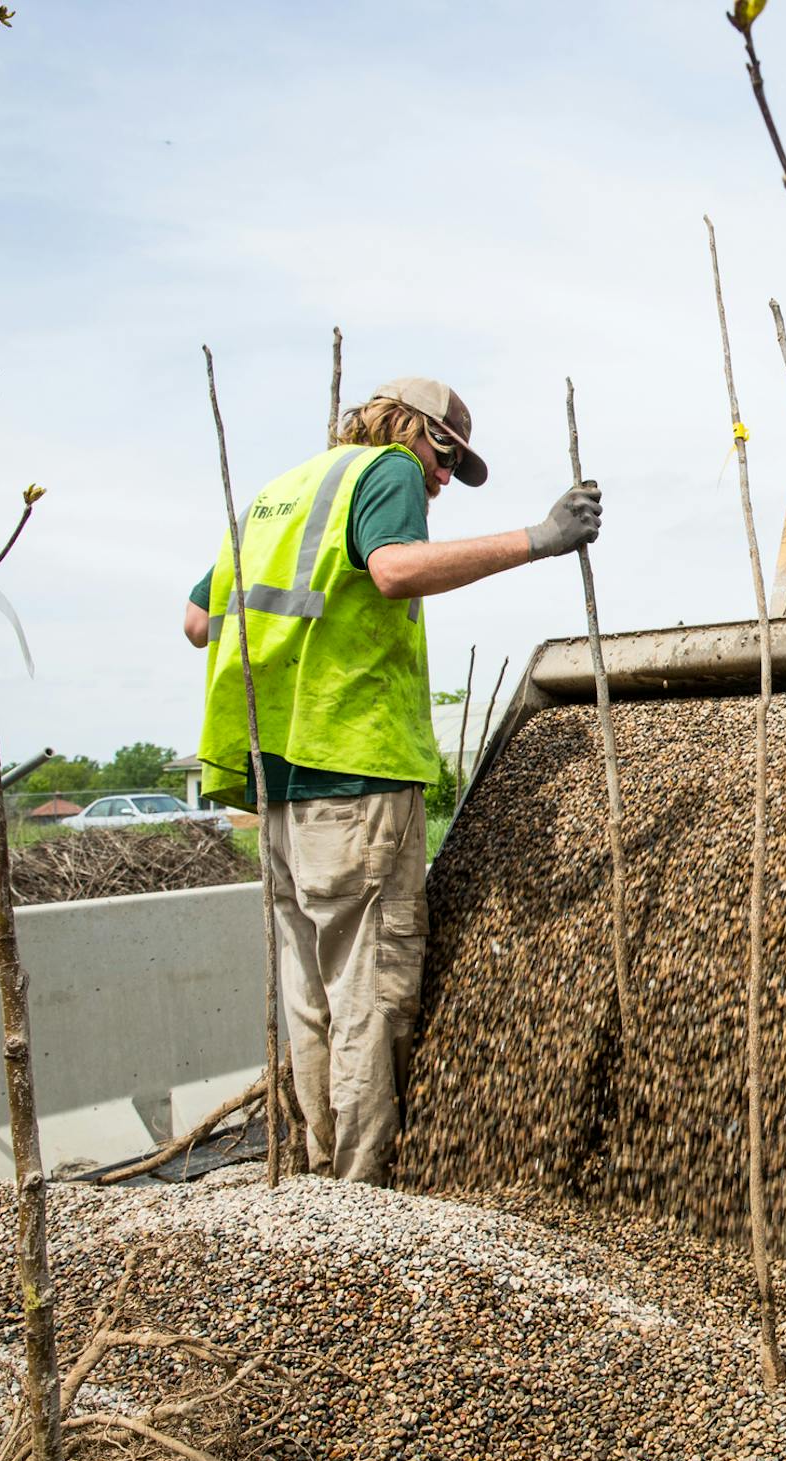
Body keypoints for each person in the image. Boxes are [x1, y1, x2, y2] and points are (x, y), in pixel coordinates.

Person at [184, 376, 601, 1184]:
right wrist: (540, 539)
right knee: (370, 991)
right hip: (355, 774)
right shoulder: (388, 471)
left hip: (277, 783)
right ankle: (362, 1195)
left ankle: (312, 1172)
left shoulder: (277, 495)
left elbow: (200, 621)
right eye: (448, 457)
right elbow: (394, 570)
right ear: (417, 430)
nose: (442, 481)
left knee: (310, 991)